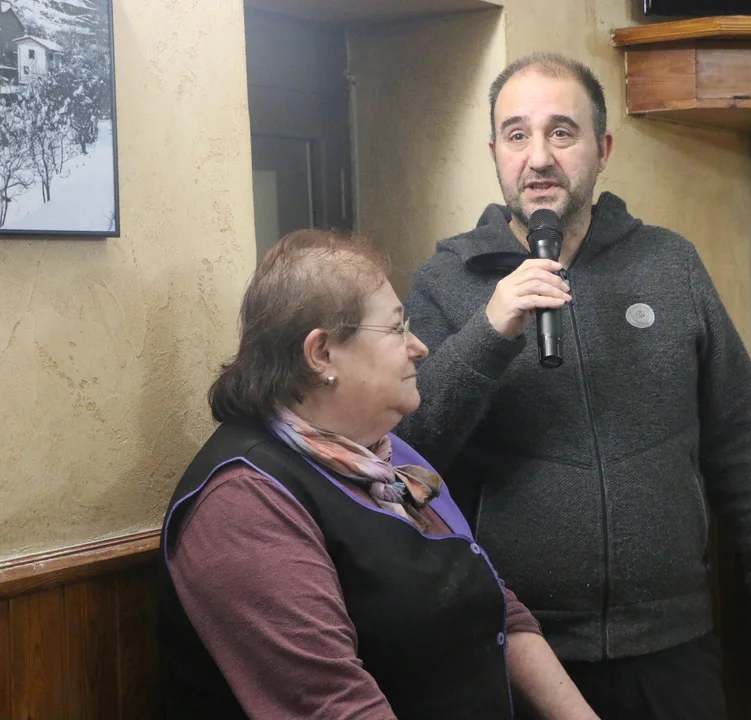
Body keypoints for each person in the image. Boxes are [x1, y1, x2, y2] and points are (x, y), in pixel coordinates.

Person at [396, 53, 751, 719]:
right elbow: (409, 455)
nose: (539, 157)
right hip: (517, 649)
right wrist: (488, 331)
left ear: (603, 149)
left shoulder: (669, 264)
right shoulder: (446, 281)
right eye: (517, 135)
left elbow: (740, 437)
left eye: (562, 132)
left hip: (672, 645)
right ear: (495, 153)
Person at [157, 228, 599, 719]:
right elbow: (335, 706)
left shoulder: (388, 453)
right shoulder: (243, 502)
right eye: (395, 328)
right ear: (321, 354)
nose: (419, 346)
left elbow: (500, 608)